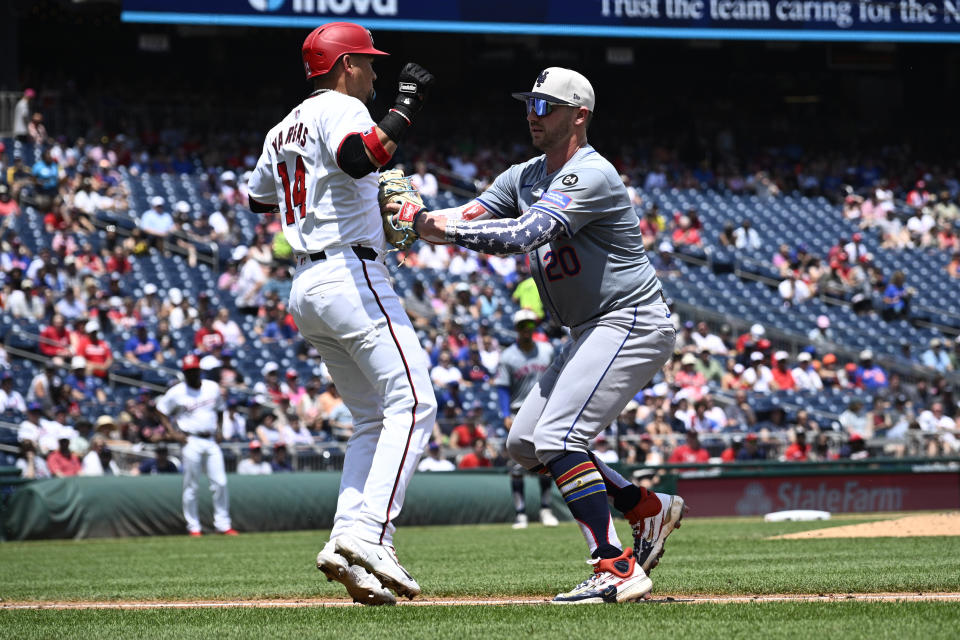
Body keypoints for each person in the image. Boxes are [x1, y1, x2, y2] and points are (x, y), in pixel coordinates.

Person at [405, 68, 683, 604]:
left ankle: (615, 567)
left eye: (545, 107)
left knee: (558, 438)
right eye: (529, 105)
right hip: (589, 328)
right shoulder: (525, 174)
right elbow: (466, 214)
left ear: (579, 115)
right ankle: (645, 509)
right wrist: (409, 215)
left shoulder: (590, 174)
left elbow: (524, 234)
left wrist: (434, 228)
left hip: (630, 319)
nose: (533, 115)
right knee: (525, 444)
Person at [246, 22, 437, 605]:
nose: (376, 73)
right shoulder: (341, 106)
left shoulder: (282, 128)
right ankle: (374, 535)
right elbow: (361, 157)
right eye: (370, 63)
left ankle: (345, 540)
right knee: (416, 401)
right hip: (351, 274)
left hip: (306, 283)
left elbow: (258, 198)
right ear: (346, 64)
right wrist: (406, 106)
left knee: (372, 420)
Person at [155, 354, 238, 537]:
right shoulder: (177, 391)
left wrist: (219, 430)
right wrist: (172, 432)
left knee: (220, 482)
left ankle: (223, 525)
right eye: (188, 371)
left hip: (210, 439)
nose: (192, 374)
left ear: (199, 370)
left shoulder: (212, 387)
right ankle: (193, 527)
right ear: (184, 373)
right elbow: (161, 410)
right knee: (191, 485)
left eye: (194, 370)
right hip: (190, 439)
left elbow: (220, 409)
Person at [494, 309, 559, 529]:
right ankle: (520, 513)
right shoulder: (508, 356)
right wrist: (504, 414)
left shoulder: (546, 350)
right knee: (516, 465)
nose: (527, 329)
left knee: (545, 459)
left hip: (544, 411)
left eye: (530, 325)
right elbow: (502, 388)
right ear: (516, 329)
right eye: (523, 326)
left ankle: (546, 509)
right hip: (518, 411)